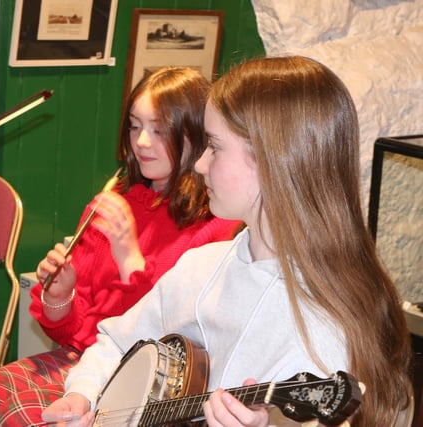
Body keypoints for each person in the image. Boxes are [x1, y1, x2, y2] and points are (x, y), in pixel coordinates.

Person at [41, 56, 413, 427]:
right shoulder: (203, 265)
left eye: (215, 147)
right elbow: (117, 340)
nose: (200, 165)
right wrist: (82, 393)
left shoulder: (326, 328)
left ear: (272, 161)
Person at [0, 66, 242, 425]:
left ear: (192, 135)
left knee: (19, 416)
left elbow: (162, 339)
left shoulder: (214, 224)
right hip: (81, 359)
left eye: (158, 130)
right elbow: (70, 331)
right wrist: (58, 296)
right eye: (134, 125)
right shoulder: (117, 199)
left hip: (141, 383)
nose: (141, 142)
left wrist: (129, 257)